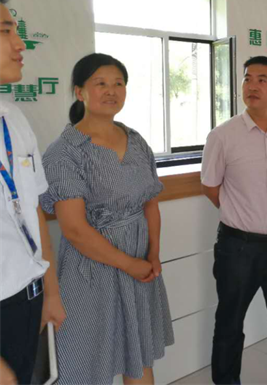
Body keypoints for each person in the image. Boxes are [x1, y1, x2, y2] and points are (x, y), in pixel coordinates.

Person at [39, 53, 174, 385]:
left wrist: (153, 255)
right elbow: (74, 229)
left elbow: (150, 203)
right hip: (90, 270)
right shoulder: (64, 151)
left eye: (118, 84)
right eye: (100, 83)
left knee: (137, 356)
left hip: (141, 264)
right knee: (85, 363)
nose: (111, 91)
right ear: (79, 92)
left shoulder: (136, 141)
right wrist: (129, 264)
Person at [201, 56, 267, 385]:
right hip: (238, 248)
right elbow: (211, 187)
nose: (252, 85)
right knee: (229, 324)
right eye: (248, 78)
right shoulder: (222, 135)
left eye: (262, 79)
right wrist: (242, 216)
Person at [0, 0, 66, 385]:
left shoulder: (13, 118)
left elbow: (33, 210)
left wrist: (50, 292)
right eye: (5, 31)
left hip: (27, 299)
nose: (20, 43)